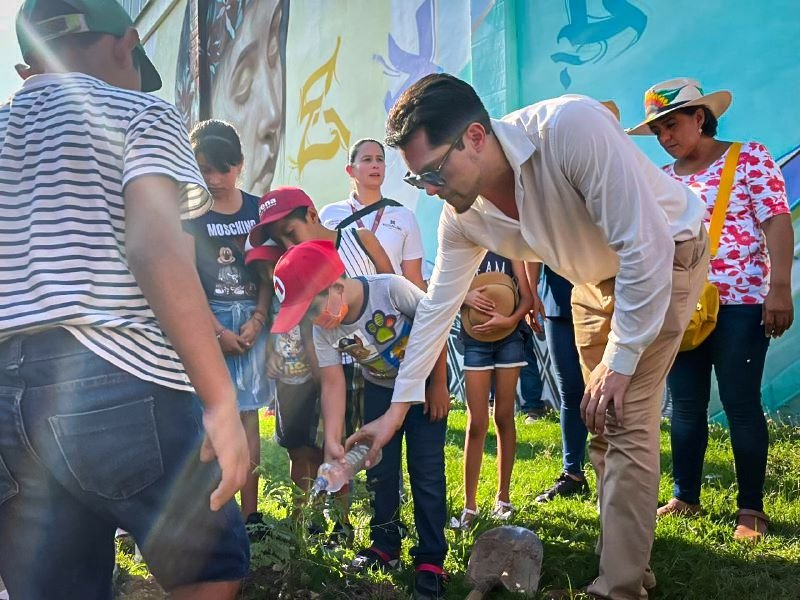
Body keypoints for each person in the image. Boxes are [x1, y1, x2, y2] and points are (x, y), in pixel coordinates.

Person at [348, 73, 710, 600]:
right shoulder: (462, 216)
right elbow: (434, 313)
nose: (429, 189)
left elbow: (644, 245)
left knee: (625, 417)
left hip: (665, 255)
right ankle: (630, 562)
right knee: (600, 423)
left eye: (432, 172)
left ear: (475, 136)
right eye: (417, 180)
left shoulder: (571, 128)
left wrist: (622, 358)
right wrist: (395, 413)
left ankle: (620, 586)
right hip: (591, 275)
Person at [0, 2, 250, 599]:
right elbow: (154, 248)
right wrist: (220, 400)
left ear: (27, 65)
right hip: (117, 377)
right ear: (127, 45)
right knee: (210, 569)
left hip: (6, 398)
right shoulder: (140, 111)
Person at [629, 78, 794, 540]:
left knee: (741, 404)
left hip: (741, 303)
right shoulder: (663, 178)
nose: (665, 138)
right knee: (685, 405)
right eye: (658, 131)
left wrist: (777, 288)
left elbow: (777, 221)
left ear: (700, 118)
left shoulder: (749, 157)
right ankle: (685, 495)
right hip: (681, 307)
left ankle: (751, 510)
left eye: (672, 125)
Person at [270, 240, 450, 600]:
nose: (314, 321)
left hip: (425, 387)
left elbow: (435, 327)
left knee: (426, 472)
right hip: (380, 391)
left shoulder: (391, 289)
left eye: (314, 309)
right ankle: (385, 545)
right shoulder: (325, 329)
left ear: (336, 285)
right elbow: (333, 382)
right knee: (380, 472)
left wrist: (439, 384)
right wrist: (333, 439)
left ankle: (431, 559)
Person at [247, 186, 395, 542]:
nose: (287, 246)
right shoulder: (292, 265)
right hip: (309, 371)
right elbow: (296, 320)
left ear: (312, 215)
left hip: (360, 367)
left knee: (344, 445)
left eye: (290, 233)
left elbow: (395, 288)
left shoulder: (359, 241)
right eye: (279, 240)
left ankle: (345, 524)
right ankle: (306, 520)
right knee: (303, 447)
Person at [185, 119, 274, 530]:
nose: (214, 179)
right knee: (212, 413)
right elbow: (184, 279)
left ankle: (250, 513)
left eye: (223, 168)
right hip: (211, 318)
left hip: (254, 319)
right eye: (205, 169)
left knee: (249, 415)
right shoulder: (190, 215)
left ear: (239, 164)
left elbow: (270, 274)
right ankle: (214, 511)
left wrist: (259, 318)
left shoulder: (258, 211)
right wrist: (215, 331)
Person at [452, 253, 534, 529]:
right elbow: (444, 285)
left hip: (509, 337)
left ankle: (504, 498)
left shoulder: (510, 245)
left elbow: (526, 297)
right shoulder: (462, 244)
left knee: (503, 416)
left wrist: (510, 321)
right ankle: (469, 505)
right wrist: (465, 296)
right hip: (474, 337)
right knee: (476, 422)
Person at [176, 0, 287, 196]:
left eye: (272, 52)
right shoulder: (181, 219)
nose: (273, 115)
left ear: (240, 164)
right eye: (244, 80)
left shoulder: (259, 213)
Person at [320, 138, 427, 289]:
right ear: (350, 170)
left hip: (391, 308)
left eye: (380, 160)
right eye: (367, 160)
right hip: (345, 306)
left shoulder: (404, 216)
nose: (375, 165)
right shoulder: (329, 215)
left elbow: (414, 280)